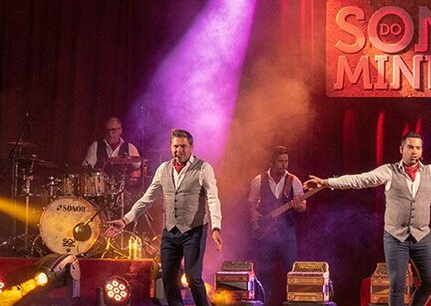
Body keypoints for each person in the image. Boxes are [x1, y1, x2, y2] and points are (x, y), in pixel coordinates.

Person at [304, 132, 431, 306]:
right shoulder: (389, 171)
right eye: (410, 147)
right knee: (397, 285)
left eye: (418, 148)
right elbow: (359, 180)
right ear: (401, 149)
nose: (414, 151)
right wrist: (326, 182)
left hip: (421, 236)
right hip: (396, 237)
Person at [105, 129, 222, 306]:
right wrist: (124, 220)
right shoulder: (163, 169)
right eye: (175, 146)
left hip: (194, 230)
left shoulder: (203, 168)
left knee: (193, 277)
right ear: (170, 147)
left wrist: (216, 227)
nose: (178, 150)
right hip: (171, 231)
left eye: (183, 146)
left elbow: (213, 199)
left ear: (191, 147)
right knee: (167, 277)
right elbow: (147, 199)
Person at [248, 146, 307, 306]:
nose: (284, 165)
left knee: (291, 271)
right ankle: (263, 303)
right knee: (264, 271)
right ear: (272, 162)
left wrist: (299, 206)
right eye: (280, 161)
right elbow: (251, 203)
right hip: (265, 233)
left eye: (286, 161)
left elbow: (303, 206)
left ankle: (293, 303)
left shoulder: (294, 181)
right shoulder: (258, 180)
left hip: (287, 233)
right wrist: (253, 213)